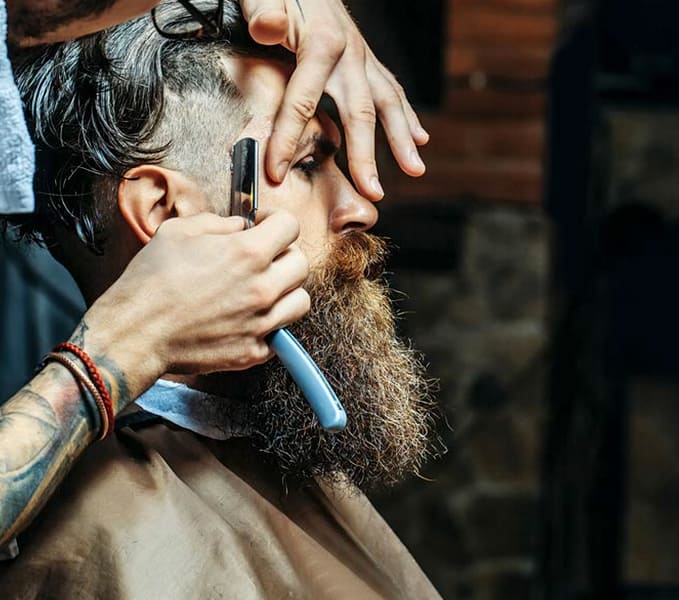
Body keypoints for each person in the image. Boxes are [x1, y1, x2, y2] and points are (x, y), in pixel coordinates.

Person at [0, 1, 441, 597]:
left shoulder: (283, 470)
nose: (363, 207)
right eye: (310, 162)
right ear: (161, 213)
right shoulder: (91, 525)